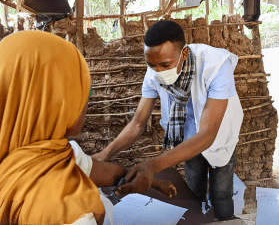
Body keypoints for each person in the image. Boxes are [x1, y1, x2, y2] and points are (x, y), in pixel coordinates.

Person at [0, 31, 176, 225]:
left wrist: (150, 181)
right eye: (81, 93)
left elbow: (96, 169)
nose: (86, 104)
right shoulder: (67, 211)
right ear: (57, 102)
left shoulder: (50, 152)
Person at [93, 20, 244, 221]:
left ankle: (224, 219)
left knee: (221, 194)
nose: (158, 71)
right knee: (193, 194)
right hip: (188, 140)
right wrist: (106, 153)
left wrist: (153, 166)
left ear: (183, 54)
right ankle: (200, 219)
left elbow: (208, 134)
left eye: (165, 65)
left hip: (218, 138)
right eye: (151, 65)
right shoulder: (154, 72)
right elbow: (138, 123)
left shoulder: (215, 65)